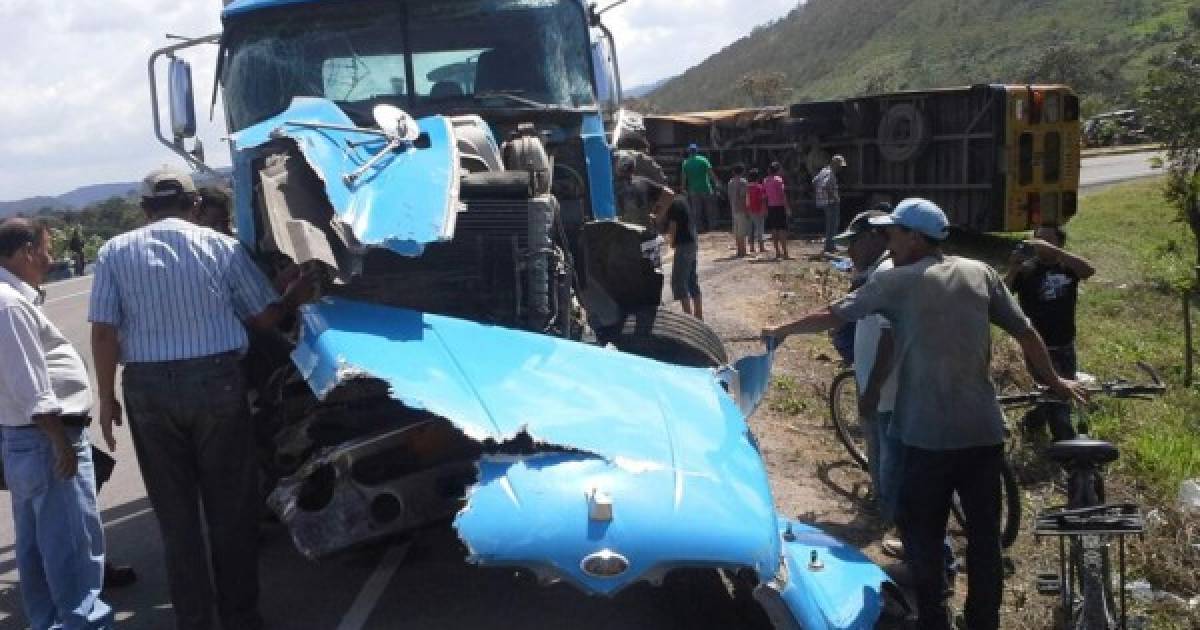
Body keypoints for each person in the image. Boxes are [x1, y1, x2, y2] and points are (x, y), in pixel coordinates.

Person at [761, 198, 1087, 630]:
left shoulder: (897, 282)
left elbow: (833, 314)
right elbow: (1027, 334)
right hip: (983, 436)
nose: (887, 240)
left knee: (925, 539)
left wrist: (780, 329)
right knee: (985, 541)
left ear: (915, 238)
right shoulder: (980, 272)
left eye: (893, 233)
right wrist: (1056, 382)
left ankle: (934, 619)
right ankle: (983, 622)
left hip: (925, 439)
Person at [88, 167, 316, 630]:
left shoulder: (113, 252)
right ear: (193, 205)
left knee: (176, 518)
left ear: (144, 210)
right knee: (230, 510)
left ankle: (194, 620)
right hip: (216, 384)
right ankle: (240, 617)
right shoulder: (220, 246)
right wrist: (293, 296)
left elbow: (104, 331)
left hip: (147, 390)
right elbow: (264, 318)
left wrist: (107, 397)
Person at [0, 218, 114, 630]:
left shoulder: (11, 299)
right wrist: (58, 442)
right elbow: (30, 383)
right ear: (26, 251)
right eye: (46, 249)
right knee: (71, 548)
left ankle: (49, 623)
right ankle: (82, 623)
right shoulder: (9, 304)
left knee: (39, 550)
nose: (51, 259)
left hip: (27, 440)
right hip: (46, 439)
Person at [1005, 225, 1095, 441]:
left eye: (1047, 240)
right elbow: (1003, 294)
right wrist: (1013, 269)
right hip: (1038, 346)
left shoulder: (1067, 267)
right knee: (1059, 397)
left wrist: (1058, 254)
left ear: (1059, 243)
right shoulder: (1027, 269)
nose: (1041, 245)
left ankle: (1032, 422)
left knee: (1053, 393)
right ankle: (1066, 445)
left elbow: (1089, 271)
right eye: (1038, 240)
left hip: (1066, 343)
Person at [656, 192, 703, 319]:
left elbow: (673, 226)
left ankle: (689, 318)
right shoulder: (681, 200)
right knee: (692, 280)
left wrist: (671, 242)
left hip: (683, 245)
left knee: (678, 282)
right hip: (692, 243)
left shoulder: (673, 205)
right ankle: (699, 315)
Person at [614, 156, 674, 230]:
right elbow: (669, 194)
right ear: (633, 168)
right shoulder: (643, 182)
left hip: (623, 229)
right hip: (643, 230)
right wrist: (657, 217)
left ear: (618, 169)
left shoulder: (612, 185)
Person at [680, 143, 720, 233]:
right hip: (706, 187)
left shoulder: (685, 163)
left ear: (689, 152)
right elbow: (711, 174)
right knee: (710, 209)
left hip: (693, 189)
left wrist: (683, 188)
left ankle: (698, 228)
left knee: (696, 210)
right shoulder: (703, 160)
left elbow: (683, 178)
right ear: (697, 151)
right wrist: (716, 183)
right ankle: (712, 226)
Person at [813, 154, 846, 254]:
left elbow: (814, 181)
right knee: (833, 224)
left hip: (824, 202)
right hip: (831, 202)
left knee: (830, 225)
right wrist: (834, 197)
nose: (840, 168)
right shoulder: (830, 173)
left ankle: (830, 246)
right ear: (834, 164)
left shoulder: (824, 170)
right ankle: (830, 247)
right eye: (839, 165)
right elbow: (826, 185)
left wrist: (819, 194)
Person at [763, 161, 791, 260]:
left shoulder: (765, 180)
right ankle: (786, 253)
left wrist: (765, 208)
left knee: (774, 230)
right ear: (778, 170)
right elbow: (783, 195)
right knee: (782, 230)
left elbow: (765, 196)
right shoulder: (778, 180)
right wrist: (787, 207)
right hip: (779, 207)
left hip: (771, 207)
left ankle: (777, 252)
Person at [727, 164, 750, 257]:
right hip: (741, 209)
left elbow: (729, 196)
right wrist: (747, 210)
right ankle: (743, 251)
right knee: (742, 232)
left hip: (733, 209)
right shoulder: (743, 182)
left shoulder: (730, 182)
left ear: (733, 171)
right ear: (743, 172)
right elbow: (743, 197)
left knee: (737, 232)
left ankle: (739, 251)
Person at [745, 168, 768, 254]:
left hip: (749, 210)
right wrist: (764, 209)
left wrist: (747, 210)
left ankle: (751, 247)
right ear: (758, 177)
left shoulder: (747, 187)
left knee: (750, 229)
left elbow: (746, 200)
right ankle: (761, 247)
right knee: (760, 229)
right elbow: (763, 199)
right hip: (758, 210)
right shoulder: (760, 187)